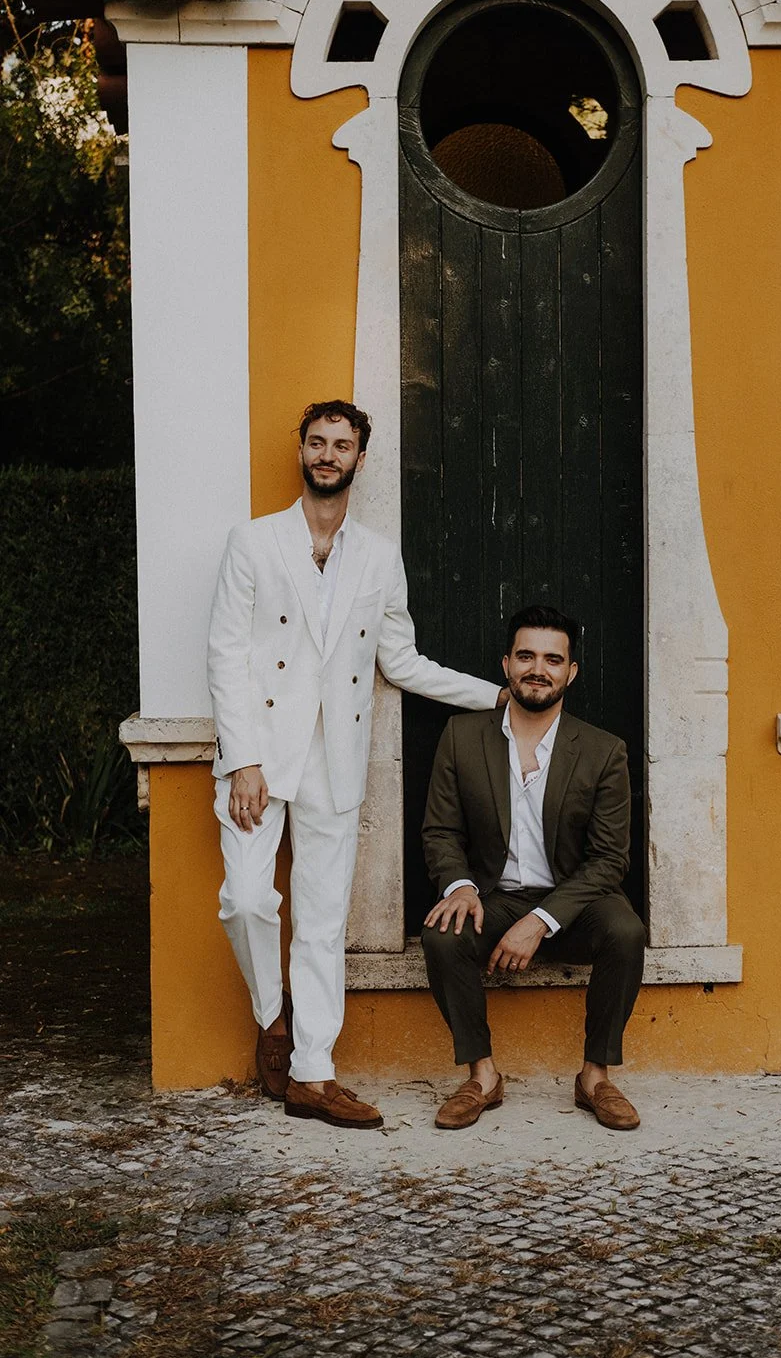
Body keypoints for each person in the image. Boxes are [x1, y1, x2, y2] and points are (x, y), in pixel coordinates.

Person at [207, 399, 503, 1128]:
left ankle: (313, 1073)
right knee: (246, 899)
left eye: (341, 445)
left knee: (321, 921)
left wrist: (494, 695)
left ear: (360, 460)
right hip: (260, 756)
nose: (327, 455)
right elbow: (226, 654)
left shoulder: (376, 554)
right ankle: (272, 1017)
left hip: (335, 759)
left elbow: (399, 660)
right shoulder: (253, 541)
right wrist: (243, 760)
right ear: (302, 452)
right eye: (317, 442)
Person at [421, 605, 646, 1131]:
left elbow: (609, 859)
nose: (537, 669)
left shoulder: (603, 751)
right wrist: (460, 887)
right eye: (526, 656)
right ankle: (482, 1076)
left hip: (574, 903)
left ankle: (595, 1077)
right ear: (506, 665)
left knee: (626, 931)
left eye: (552, 659)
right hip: (494, 899)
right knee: (442, 935)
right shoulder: (461, 736)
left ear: (572, 672)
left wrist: (540, 921)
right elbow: (441, 831)